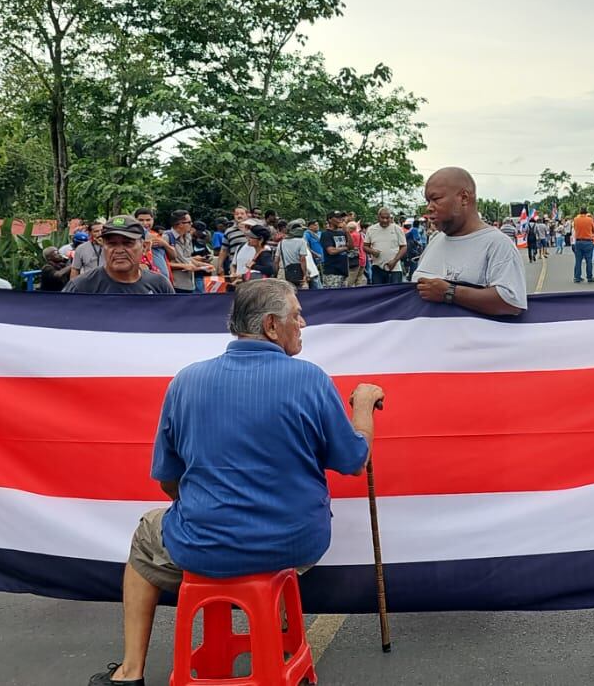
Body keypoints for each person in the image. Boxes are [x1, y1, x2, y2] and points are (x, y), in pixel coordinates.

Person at [87, 280, 382, 686]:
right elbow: (353, 460)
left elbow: (168, 481)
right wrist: (363, 405)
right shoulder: (310, 380)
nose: (303, 322)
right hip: (294, 543)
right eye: (297, 315)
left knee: (148, 532)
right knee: (270, 531)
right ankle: (274, 636)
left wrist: (201, 508)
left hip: (206, 546)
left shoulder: (186, 381)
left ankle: (130, 670)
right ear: (271, 326)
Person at [413, 168, 527, 316]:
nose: (429, 207)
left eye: (436, 199)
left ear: (464, 198)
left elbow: (512, 302)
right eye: (428, 201)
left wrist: (450, 293)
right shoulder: (435, 240)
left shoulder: (497, 244)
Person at [64, 216, 176, 295]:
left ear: (145, 247)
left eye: (127, 243)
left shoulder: (160, 285)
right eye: (111, 244)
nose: (119, 250)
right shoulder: (81, 287)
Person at [163, 211, 210, 295]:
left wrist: (203, 265)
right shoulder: (166, 237)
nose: (191, 224)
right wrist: (183, 266)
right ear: (180, 224)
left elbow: (186, 259)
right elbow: (161, 264)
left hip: (189, 284)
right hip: (174, 285)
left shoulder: (188, 236)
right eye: (189, 222)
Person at [364, 209, 408, 285]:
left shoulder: (397, 229)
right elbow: (365, 246)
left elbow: (404, 247)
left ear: (390, 218)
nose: (385, 220)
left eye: (387, 218)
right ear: (378, 217)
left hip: (395, 268)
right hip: (377, 267)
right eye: (382, 218)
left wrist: (395, 260)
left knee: (394, 292)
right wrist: (372, 251)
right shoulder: (371, 229)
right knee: (378, 292)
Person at [318, 213, 352, 289]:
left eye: (341, 217)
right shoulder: (326, 234)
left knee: (343, 297)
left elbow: (351, 246)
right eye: (337, 217)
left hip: (344, 271)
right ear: (330, 220)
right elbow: (331, 251)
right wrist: (345, 248)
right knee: (333, 296)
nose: (340, 219)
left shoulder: (342, 233)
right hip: (332, 272)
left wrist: (347, 232)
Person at [571, 208, 594, 283]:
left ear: (580, 212)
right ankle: (589, 277)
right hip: (588, 242)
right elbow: (593, 230)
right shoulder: (590, 220)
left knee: (578, 260)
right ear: (586, 213)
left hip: (578, 242)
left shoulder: (575, 219)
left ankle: (577, 277)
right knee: (589, 260)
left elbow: (575, 229)